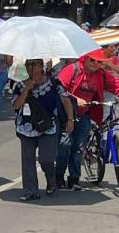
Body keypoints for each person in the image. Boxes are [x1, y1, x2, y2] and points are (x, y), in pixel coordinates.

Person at [55, 51, 119, 190]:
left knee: (79, 148)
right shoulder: (72, 69)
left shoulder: (101, 74)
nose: (96, 64)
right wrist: (75, 99)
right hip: (66, 115)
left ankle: (74, 178)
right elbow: (58, 87)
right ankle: (58, 176)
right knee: (64, 145)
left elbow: (117, 86)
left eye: (99, 62)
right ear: (84, 59)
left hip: (85, 114)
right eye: (92, 61)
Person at [13, 59, 74, 201]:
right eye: (27, 65)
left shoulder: (53, 83)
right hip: (26, 127)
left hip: (48, 127)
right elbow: (16, 106)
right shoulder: (19, 85)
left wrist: (70, 120)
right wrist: (27, 89)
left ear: (41, 66)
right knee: (27, 160)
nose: (30, 68)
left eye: (33, 64)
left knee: (46, 159)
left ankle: (51, 178)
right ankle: (30, 191)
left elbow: (65, 100)